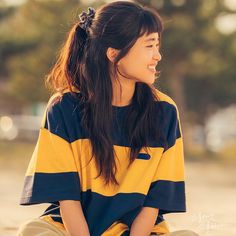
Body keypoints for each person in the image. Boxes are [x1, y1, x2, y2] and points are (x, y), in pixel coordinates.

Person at [17, 1, 199, 236]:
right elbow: (67, 199)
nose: (158, 55)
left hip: (135, 231)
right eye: (149, 45)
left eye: (158, 45)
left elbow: (153, 203)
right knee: (30, 232)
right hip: (70, 228)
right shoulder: (63, 109)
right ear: (113, 54)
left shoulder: (164, 112)